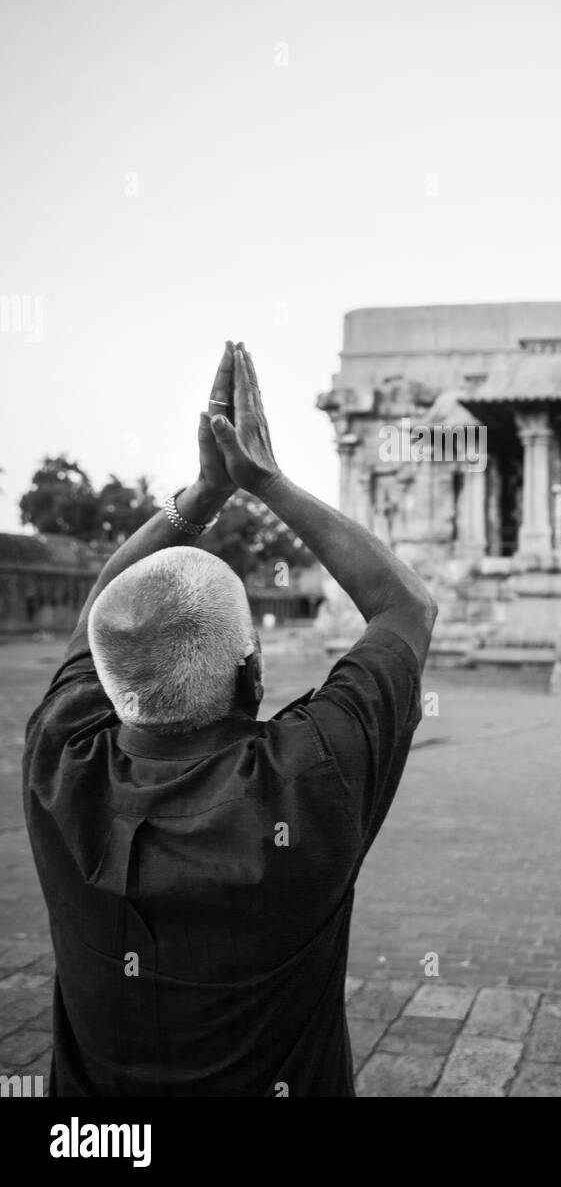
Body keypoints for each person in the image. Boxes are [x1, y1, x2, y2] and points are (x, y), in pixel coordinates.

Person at [23, 342, 437, 1098]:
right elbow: (407, 607)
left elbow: (104, 614)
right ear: (255, 673)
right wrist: (263, 481)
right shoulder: (304, 782)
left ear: (109, 680)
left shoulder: (59, 764)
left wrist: (203, 494)